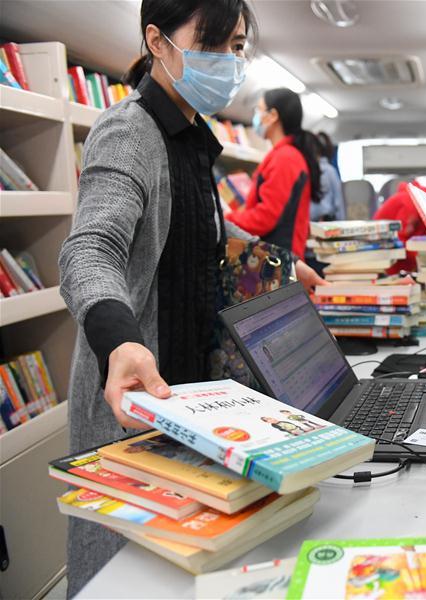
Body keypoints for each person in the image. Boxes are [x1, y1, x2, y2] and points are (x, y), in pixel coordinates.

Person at [57, 1, 323, 594]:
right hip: (139, 395)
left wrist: (283, 264)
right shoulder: (129, 132)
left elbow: (208, 226)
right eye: (212, 43)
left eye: (237, 46)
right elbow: (90, 249)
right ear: (157, 41)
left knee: (188, 565)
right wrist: (120, 340)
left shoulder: (193, 136)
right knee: (127, 577)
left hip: (191, 397)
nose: (229, 60)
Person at [226, 87, 322, 257]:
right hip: (277, 256)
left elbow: (265, 218)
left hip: (279, 260)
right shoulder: (284, 154)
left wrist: (227, 218)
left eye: (259, 110)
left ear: (273, 116)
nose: (256, 116)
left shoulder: (286, 158)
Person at [309, 132, 345, 222]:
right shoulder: (330, 171)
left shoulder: (308, 170)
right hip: (326, 221)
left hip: (311, 222)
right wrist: (341, 222)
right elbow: (338, 202)